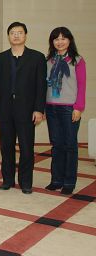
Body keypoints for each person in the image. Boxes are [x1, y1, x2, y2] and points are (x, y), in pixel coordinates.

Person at [0, 22, 46, 194]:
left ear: (25, 35)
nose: (16, 35)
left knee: (26, 147)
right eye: (12, 33)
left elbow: (41, 86)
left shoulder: (37, 57)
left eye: (20, 32)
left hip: (27, 110)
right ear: (8, 36)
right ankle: (8, 180)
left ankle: (26, 182)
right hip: (5, 109)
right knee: (6, 147)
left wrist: (38, 109)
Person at [44, 27, 86, 195]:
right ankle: (56, 180)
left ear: (69, 40)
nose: (60, 42)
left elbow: (82, 85)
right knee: (56, 145)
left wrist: (78, 107)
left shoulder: (77, 60)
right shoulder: (48, 60)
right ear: (52, 42)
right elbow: (43, 85)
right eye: (56, 39)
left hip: (69, 108)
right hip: (51, 107)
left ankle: (69, 182)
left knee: (70, 145)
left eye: (63, 38)